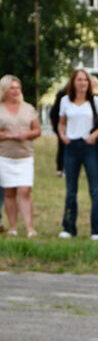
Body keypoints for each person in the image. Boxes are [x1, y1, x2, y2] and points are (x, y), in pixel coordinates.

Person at [57, 68, 98, 240]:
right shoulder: (65, 101)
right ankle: (68, 227)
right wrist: (63, 136)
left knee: (94, 189)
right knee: (71, 189)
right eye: (79, 80)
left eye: (85, 80)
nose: (82, 83)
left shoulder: (94, 101)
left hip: (89, 147)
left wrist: (94, 135)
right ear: (73, 82)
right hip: (71, 147)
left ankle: (97, 230)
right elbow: (61, 123)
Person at [0, 75, 41, 237]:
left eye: (18, 88)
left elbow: (37, 130)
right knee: (9, 192)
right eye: (12, 88)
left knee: (24, 190)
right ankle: (12, 227)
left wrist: (27, 134)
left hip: (25, 156)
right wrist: (8, 136)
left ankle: (30, 227)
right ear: (5, 90)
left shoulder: (28, 108)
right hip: (5, 156)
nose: (16, 91)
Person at [49, 84, 68, 176]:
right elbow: (54, 110)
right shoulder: (62, 95)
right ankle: (60, 168)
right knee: (62, 146)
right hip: (60, 123)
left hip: (70, 124)